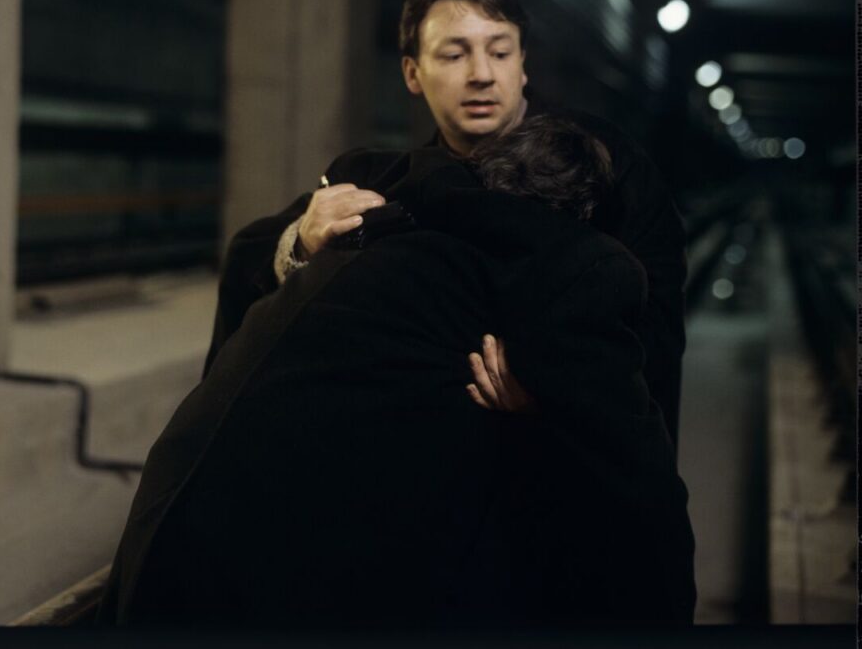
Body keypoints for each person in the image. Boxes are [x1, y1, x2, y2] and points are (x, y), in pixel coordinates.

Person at [96, 117, 696, 628]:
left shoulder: (384, 230)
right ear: (586, 217)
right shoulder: (570, 266)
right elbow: (643, 492)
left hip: (159, 560)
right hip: (269, 594)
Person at [204, 0, 687, 445]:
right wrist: (302, 241)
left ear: (523, 66)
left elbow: (656, 316)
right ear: (413, 73)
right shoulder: (390, 177)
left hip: (561, 464)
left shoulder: (605, 162)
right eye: (454, 54)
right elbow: (251, 255)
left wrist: (557, 385)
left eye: (499, 52)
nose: (481, 74)